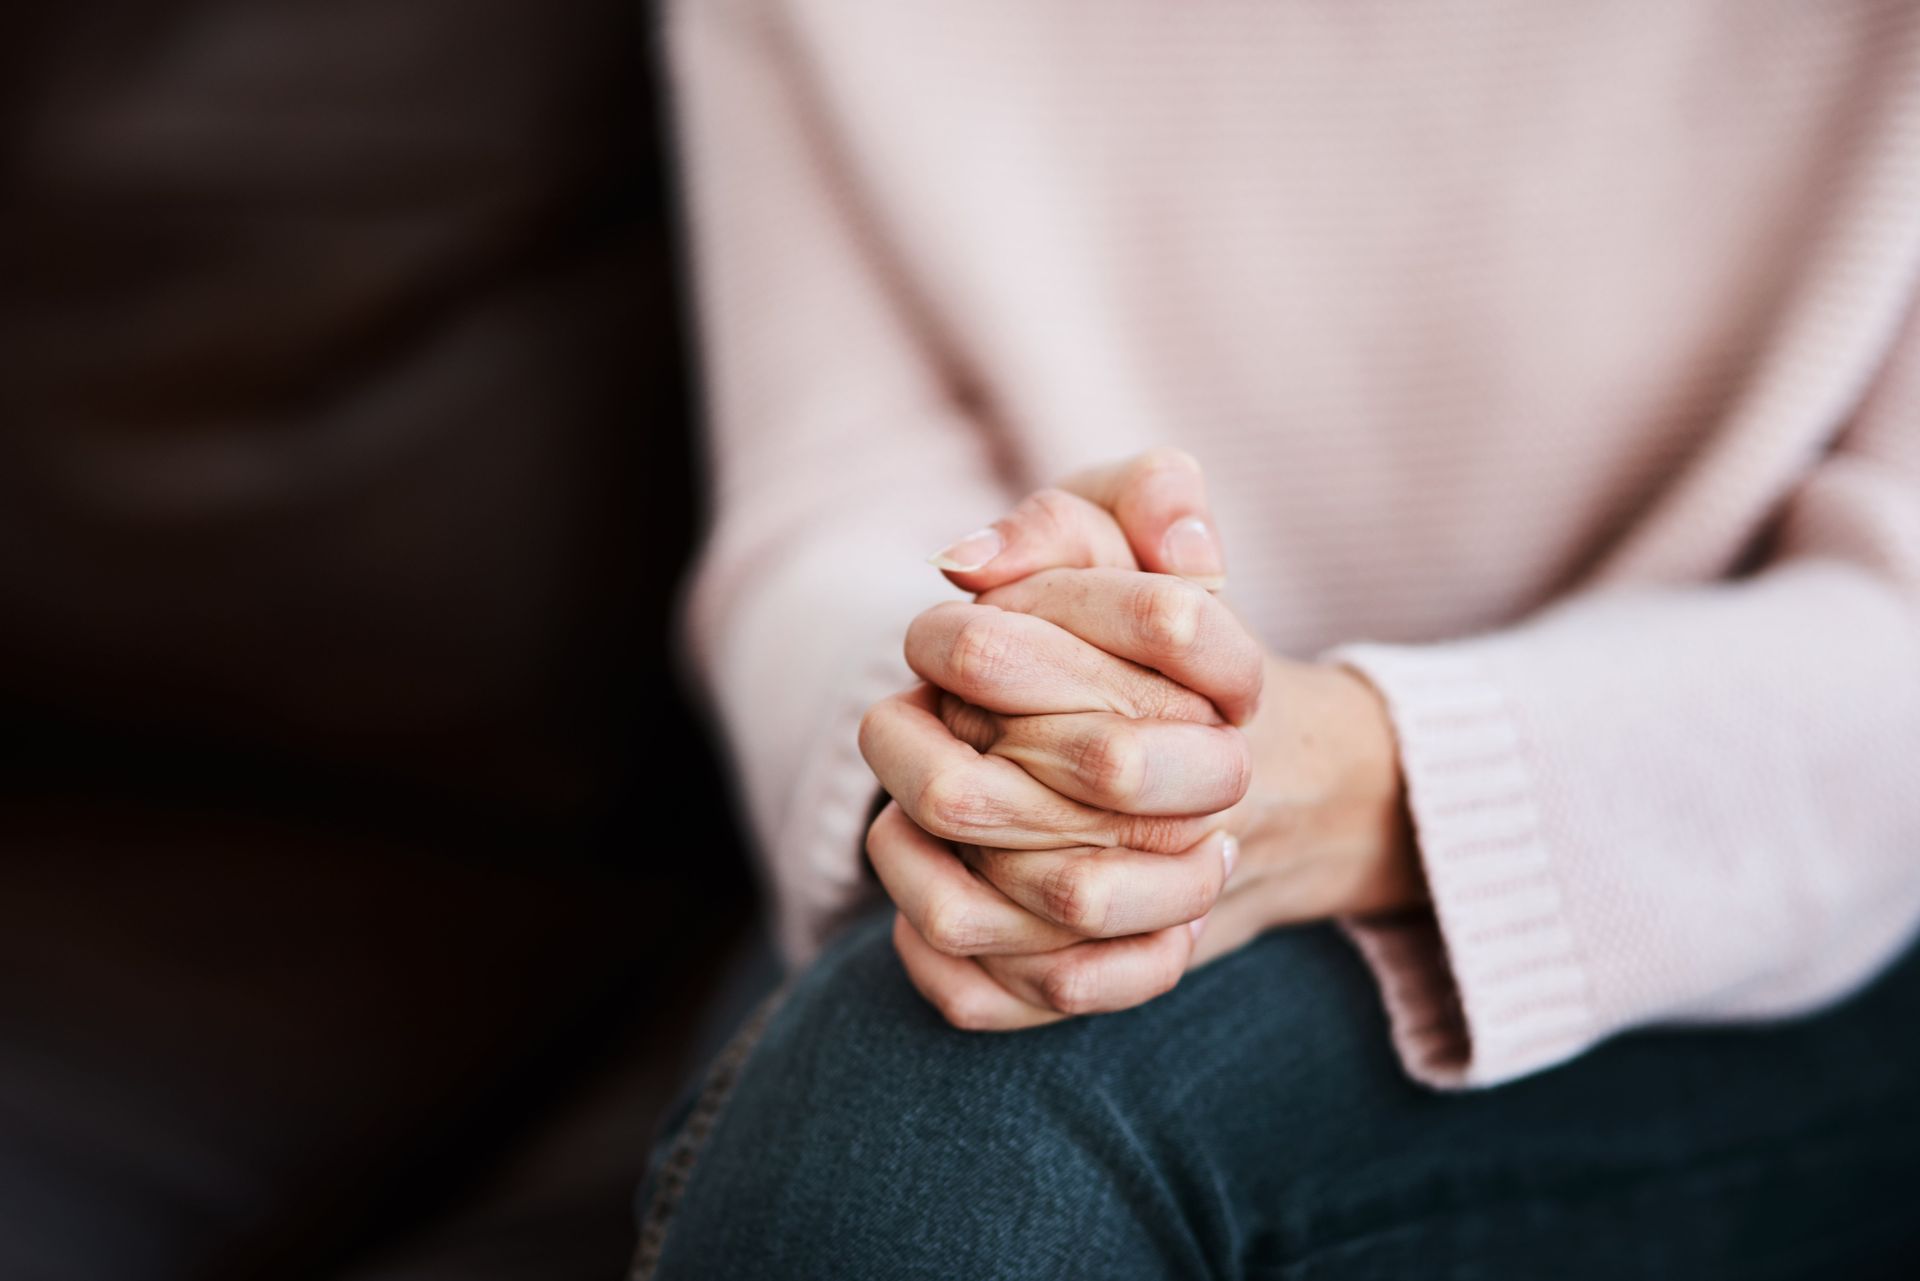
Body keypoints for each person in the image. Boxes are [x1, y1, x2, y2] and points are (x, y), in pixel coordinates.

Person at [638, 1, 1920, 1275]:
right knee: (927, 1071)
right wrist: (1000, 706)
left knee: (950, 1120)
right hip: (1009, 825)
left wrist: (1364, 774)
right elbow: (829, 499)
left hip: (1758, 860)